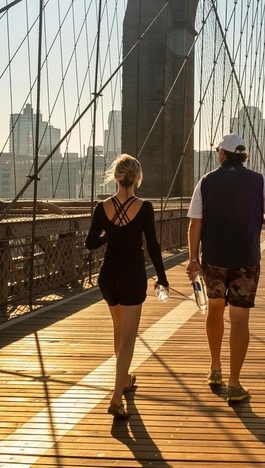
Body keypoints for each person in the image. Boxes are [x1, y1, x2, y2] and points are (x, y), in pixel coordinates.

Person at [187, 134, 265, 403]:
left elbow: (195, 223)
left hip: (214, 258)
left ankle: (215, 369)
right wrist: (254, 219)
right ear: (243, 156)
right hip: (246, 259)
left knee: (215, 309)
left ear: (222, 154)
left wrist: (194, 259)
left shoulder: (206, 181)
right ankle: (234, 383)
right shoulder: (258, 180)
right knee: (240, 320)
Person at [85, 154, 168, 420]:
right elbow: (153, 245)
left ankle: (126, 379)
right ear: (137, 177)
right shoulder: (144, 208)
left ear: (116, 176)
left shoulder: (102, 206)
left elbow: (89, 243)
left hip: (108, 275)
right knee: (130, 336)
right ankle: (116, 396)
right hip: (132, 276)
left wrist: (108, 237)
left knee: (119, 330)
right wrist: (162, 276)